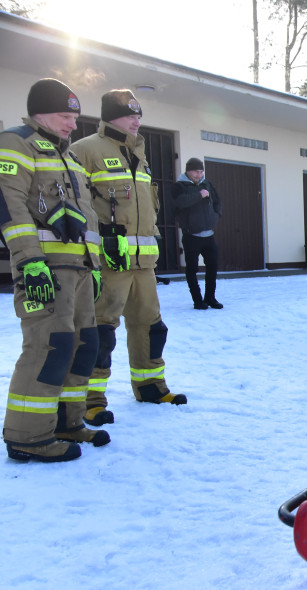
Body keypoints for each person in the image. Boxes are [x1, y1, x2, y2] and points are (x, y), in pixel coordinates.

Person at [1, 78, 108, 462]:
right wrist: (29, 260)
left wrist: (95, 265)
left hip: (79, 270)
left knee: (83, 346)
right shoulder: (16, 143)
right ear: (40, 113)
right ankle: (27, 436)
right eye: (65, 116)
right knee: (49, 346)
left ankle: (66, 422)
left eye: (75, 117)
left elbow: (88, 216)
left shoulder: (70, 157)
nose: (72, 124)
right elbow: (8, 204)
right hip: (44, 269)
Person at [72, 89, 187, 423]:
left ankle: (151, 386)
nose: (137, 121)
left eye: (138, 115)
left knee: (151, 328)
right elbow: (74, 205)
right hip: (108, 263)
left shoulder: (140, 154)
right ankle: (90, 400)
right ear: (110, 118)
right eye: (129, 116)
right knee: (100, 332)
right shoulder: (85, 150)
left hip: (144, 265)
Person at [171, 157, 222, 309]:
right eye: (195, 171)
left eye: (201, 171)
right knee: (192, 269)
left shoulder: (207, 184)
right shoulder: (179, 186)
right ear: (188, 171)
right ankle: (198, 301)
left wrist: (216, 216)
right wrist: (199, 195)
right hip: (191, 236)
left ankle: (210, 298)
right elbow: (180, 202)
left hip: (209, 235)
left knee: (212, 267)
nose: (199, 175)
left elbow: (217, 201)